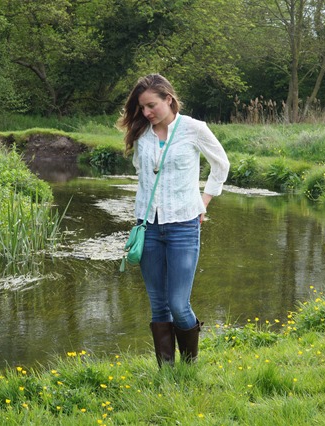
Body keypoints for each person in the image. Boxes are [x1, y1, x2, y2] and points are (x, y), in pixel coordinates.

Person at [118, 74, 229, 366]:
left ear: (168, 99)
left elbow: (221, 164)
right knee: (158, 305)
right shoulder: (142, 134)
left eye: (151, 105)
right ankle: (167, 372)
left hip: (183, 225)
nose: (146, 113)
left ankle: (189, 366)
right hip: (149, 228)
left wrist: (204, 200)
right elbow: (143, 176)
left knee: (179, 305)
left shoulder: (194, 129)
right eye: (141, 108)